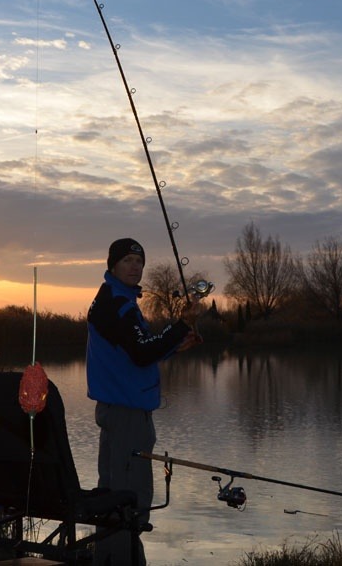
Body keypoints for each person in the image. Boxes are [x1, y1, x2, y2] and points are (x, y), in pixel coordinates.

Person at [86, 237, 203, 565]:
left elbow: (138, 349)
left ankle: (108, 559)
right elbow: (141, 353)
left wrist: (175, 344)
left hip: (117, 408)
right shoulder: (117, 304)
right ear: (112, 265)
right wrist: (181, 324)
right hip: (126, 413)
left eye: (139, 261)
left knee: (112, 495)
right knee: (129, 501)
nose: (135, 266)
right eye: (127, 260)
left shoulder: (116, 298)